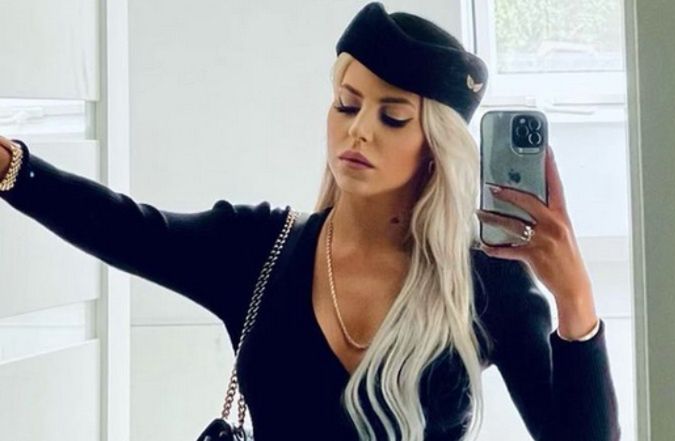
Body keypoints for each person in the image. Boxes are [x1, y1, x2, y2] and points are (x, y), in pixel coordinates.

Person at [0, 2, 620, 440]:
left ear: (436, 145)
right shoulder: (257, 249)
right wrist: (12, 168)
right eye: (347, 104)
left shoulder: (486, 284)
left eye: (392, 117)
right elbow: (126, 229)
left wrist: (575, 299)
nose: (359, 130)